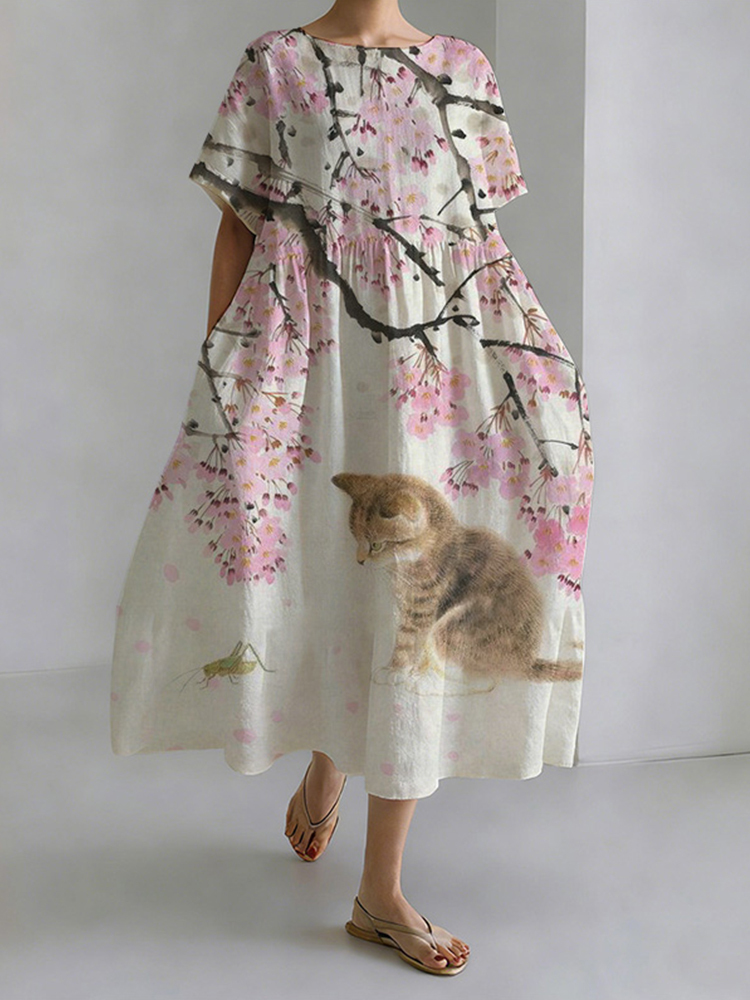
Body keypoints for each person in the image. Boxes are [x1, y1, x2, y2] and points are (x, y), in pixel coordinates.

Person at [112, 0, 594, 977]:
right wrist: (225, 376)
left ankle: (380, 890)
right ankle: (331, 755)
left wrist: (538, 372)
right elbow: (240, 230)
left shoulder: (462, 68)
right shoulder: (277, 63)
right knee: (336, 571)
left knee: (416, 586)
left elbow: (479, 246)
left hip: (431, 371)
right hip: (308, 364)